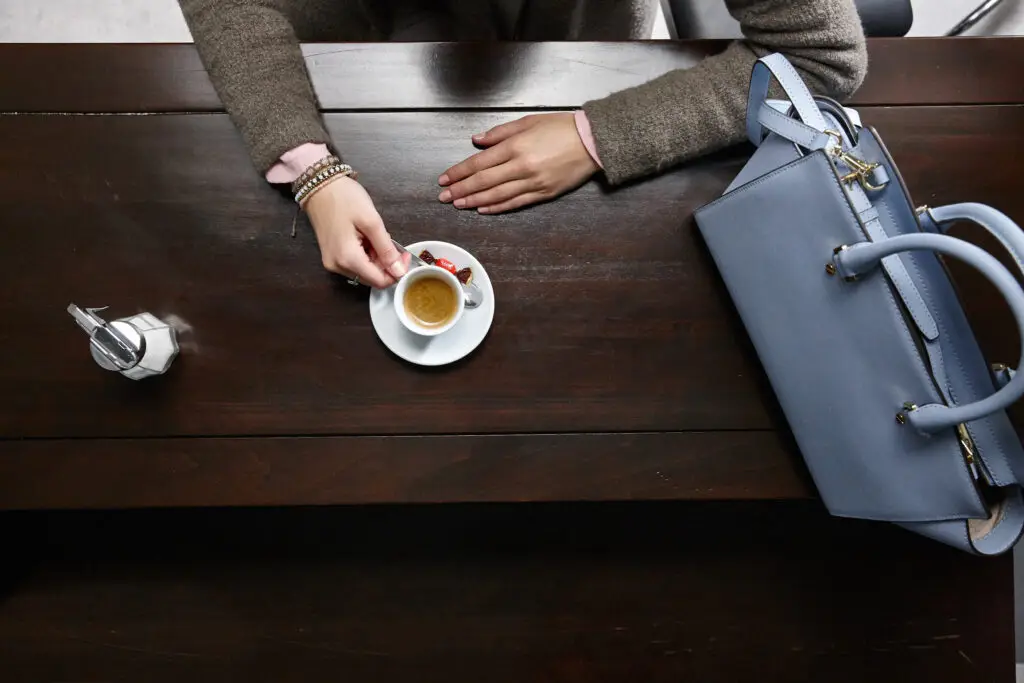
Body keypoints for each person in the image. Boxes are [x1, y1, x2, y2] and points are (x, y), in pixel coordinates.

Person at [179, 0, 867, 288]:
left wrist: (597, 135)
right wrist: (312, 170)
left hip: (585, 41)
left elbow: (822, 53)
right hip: (385, 47)